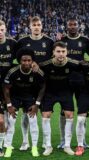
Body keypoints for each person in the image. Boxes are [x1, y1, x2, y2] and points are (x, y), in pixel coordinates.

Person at [17, 16, 54, 153]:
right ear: (30, 27)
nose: (37, 27)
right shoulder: (22, 42)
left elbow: (53, 60)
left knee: (45, 114)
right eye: (34, 25)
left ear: (42, 26)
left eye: (39, 24)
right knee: (26, 113)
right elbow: (17, 60)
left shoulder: (49, 42)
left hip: (43, 83)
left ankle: (45, 142)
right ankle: (25, 141)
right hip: (26, 84)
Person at [3, 48, 45, 158]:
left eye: (29, 60)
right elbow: (6, 88)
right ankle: (8, 148)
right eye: (24, 60)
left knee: (33, 120)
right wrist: (9, 105)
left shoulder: (37, 72)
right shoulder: (13, 71)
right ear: (20, 61)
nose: (26, 63)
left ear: (32, 61)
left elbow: (43, 87)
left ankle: (34, 147)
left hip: (29, 97)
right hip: (15, 97)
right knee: (11, 121)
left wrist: (37, 104)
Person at [39, 41, 79, 156]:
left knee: (69, 115)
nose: (61, 54)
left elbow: (86, 66)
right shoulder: (45, 64)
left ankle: (67, 145)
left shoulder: (73, 63)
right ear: (53, 53)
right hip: (49, 93)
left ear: (67, 52)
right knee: (46, 116)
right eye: (58, 52)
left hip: (65, 92)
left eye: (63, 51)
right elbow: (36, 70)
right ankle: (48, 146)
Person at [57, 17, 89, 149]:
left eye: (74, 24)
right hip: (65, 80)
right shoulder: (62, 41)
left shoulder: (84, 41)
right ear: (66, 26)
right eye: (70, 25)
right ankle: (62, 139)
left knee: (83, 110)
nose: (72, 27)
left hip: (81, 80)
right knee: (63, 111)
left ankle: (83, 140)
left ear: (79, 26)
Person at [0, 20, 17, 156]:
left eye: (1, 30)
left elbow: (24, 58)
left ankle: (7, 143)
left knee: (9, 116)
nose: (0, 33)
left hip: (9, 86)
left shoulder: (12, 44)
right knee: (1, 119)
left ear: (5, 29)